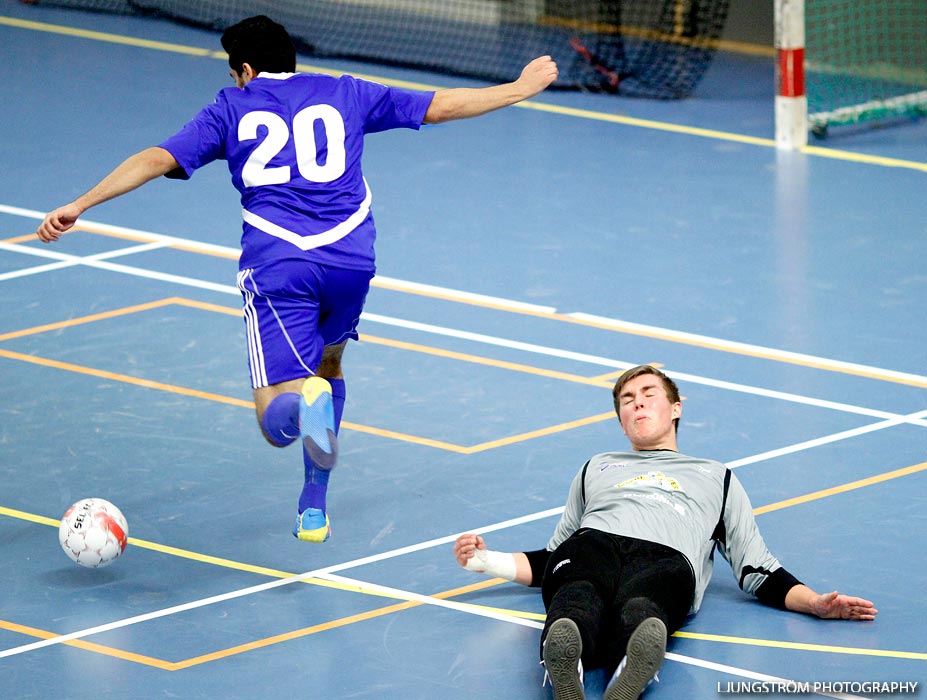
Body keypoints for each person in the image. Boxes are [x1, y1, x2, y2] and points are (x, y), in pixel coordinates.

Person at [36, 15, 558, 544]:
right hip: (351, 260)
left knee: (276, 418)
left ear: (244, 70)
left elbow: (156, 158)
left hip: (280, 266)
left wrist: (81, 203)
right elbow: (439, 105)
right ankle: (314, 504)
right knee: (329, 365)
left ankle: (300, 411)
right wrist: (518, 88)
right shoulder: (346, 92)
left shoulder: (230, 106)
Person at [454, 364, 877, 700]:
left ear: (676, 408)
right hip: (594, 542)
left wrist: (813, 603)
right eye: (626, 400)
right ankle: (568, 656)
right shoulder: (596, 466)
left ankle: (630, 664)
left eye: (648, 395)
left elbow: (758, 568)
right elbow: (554, 557)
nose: (637, 405)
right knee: (576, 588)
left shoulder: (716, 476)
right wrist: (485, 561)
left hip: (668, 556)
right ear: (621, 422)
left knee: (644, 604)